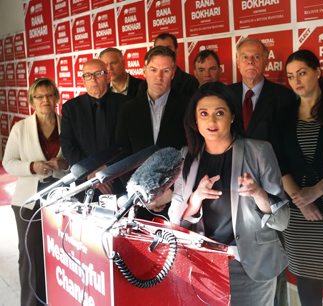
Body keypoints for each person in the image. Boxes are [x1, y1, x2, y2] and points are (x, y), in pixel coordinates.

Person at [168, 82, 289, 306]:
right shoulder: (187, 157)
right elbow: (175, 220)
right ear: (195, 121)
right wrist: (195, 199)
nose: (211, 121)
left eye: (219, 113)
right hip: (202, 265)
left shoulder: (259, 151)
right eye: (203, 114)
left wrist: (258, 193)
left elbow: (282, 221)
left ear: (232, 116)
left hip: (249, 266)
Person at [229, 36, 296, 306]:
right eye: (245, 57)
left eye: (256, 57)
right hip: (232, 190)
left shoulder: (283, 97)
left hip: (271, 188)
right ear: (236, 60)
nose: (250, 62)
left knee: (270, 255)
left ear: (267, 59)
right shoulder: (226, 94)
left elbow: (288, 145)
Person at [279, 49, 323, 306]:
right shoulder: (285, 114)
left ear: (318, 72)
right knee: (306, 287)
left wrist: (316, 191)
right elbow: (279, 160)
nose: (296, 81)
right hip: (297, 218)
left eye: (302, 73)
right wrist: (301, 200)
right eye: (291, 76)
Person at [2, 78, 69, 306]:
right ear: (32, 101)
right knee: (31, 256)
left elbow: (74, 159)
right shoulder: (20, 128)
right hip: (28, 200)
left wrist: (63, 165)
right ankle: (31, 303)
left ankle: (56, 299)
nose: (45, 101)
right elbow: (8, 162)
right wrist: (32, 166)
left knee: (58, 253)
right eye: (39, 97)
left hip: (60, 197)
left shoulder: (66, 125)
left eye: (50, 95)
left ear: (57, 98)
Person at [115, 46, 188, 214]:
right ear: (144, 70)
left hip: (176, 199)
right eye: (153, 69)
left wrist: (169, 192)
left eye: (165, 71)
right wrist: (139, 193)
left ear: (173, 73)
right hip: (136, 199)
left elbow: (191, 154)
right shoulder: (128, 109)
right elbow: (121, 155)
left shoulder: (187, 106)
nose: (159, 77)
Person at [60, 59, 128, 194]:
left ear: (108, 76)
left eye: (98, 74)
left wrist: (108, 170)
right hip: (85, 182)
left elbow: (128, 144)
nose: (93, 79)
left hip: (119, 179)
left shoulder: (126, 104)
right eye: (88, 75)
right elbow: (68, 146)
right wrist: (90, 171)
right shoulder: (71, 108)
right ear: (83, 80)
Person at [154, 32, 199, 98]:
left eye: (168, 48)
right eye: (159, 49)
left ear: (176, 51)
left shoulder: (190, 82)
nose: (163, 52)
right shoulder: (146, 85)